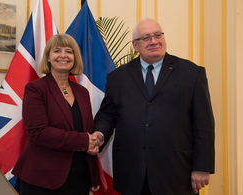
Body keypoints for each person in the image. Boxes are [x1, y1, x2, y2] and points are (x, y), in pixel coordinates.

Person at [92, 18, 215, 195]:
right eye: (146, 37)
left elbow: (204, 124)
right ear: (135, 45)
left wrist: (202, 167)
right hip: (132, 173)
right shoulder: (117, 77)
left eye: (158, 35)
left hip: (177, 172)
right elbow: (108, 115)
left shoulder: (192, 73)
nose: (154, 41)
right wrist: (100, 134)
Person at [12, 34, 101, 195]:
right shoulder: (35, 89)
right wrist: (84, 140)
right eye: (57, 51)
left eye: (69, 51)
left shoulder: (82, 92)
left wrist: (93, 174)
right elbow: (38, 132)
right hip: (42, 179)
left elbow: (86, 131)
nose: (63, 55)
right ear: (48, 57)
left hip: (79, 178)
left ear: (75, 57)